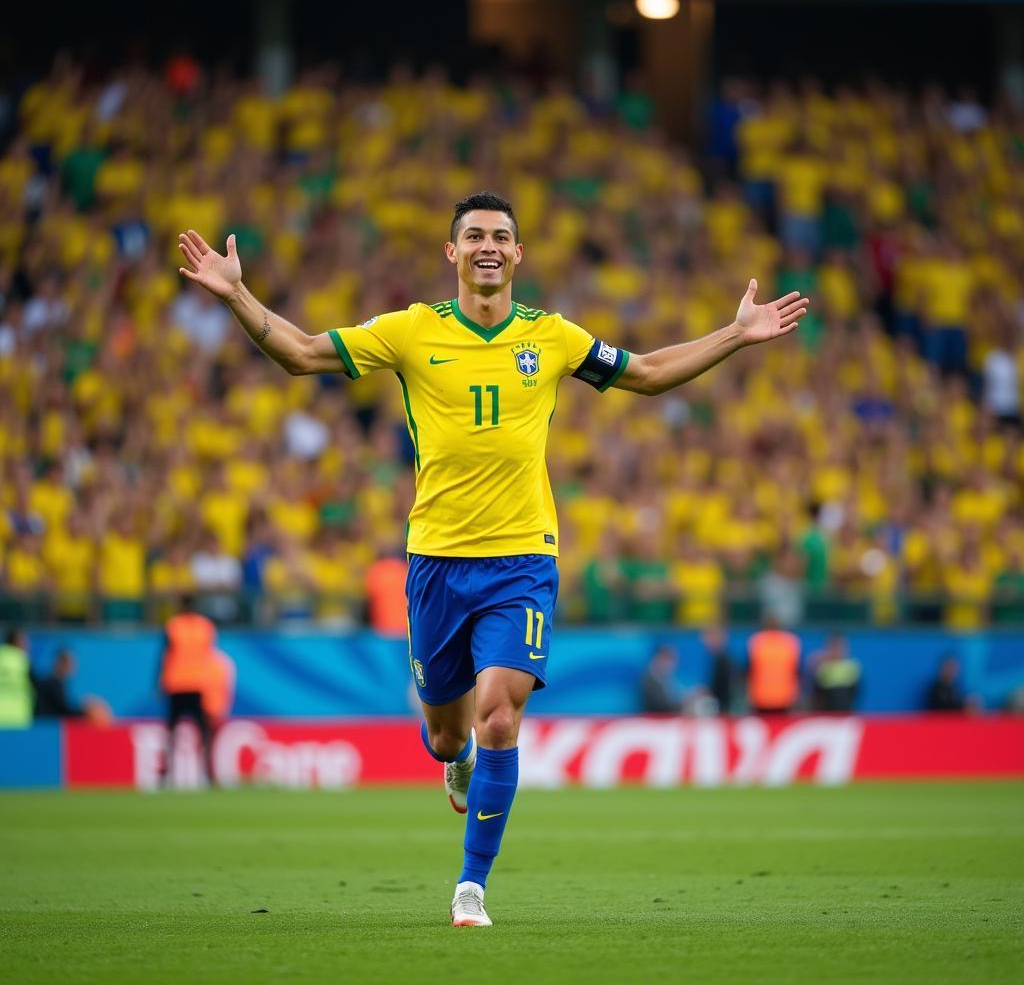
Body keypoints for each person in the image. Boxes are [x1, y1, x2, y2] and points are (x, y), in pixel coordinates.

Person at [177, 191, 808, 927]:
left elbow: (645, 372)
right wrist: (236, 294)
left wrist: (733, 335)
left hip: (522, 561)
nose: (487, 245)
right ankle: (456, 761)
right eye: (473, 234)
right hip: (437, 563)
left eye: (500, 236)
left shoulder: (554, 336)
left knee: (499, 715)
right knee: (449, 732)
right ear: (451, 252)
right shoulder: (412, 331)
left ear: (517, 255)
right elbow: (302, 355)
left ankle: (471, 885)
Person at [158, 594, 220, 786]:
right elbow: (210, 656)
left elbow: (165, 654)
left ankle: (166, 774)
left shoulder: (173, 626)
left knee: (171, 732)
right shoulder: (206, 626)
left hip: (176, 684)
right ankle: (208, 774)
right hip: (198, 684)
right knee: (203, 732)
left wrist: (159, 681)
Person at [746, 614, 802, 715]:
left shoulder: (757, 641)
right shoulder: (790, 641)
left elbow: (749, 670)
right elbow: (797, 670)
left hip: (765, 696)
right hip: (781, 696)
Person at [809, 633, 861, 713]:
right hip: (827, 712)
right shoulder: (822, 666)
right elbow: (816, 692)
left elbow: (856, 690)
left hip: (846, 711)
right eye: (834, 647)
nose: (837, 650)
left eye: (840, 646)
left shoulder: (852, 666)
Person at [0, 627, 33, 729]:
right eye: (24, 640)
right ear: (16, 641)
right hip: (19, 719)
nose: (28, 644)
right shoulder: (22, 661)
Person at [640, 644, 682, 714]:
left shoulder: (666, 678)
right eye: (669, 660)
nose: (672, 665)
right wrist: (683, 703)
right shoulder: (650, 678)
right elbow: (660, 706)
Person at [702, 626, 734, 715]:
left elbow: (723, 689)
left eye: (708, 638)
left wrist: (706, 692)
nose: (705, 642)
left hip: (725, 709)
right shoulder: (719, 658)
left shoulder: (723, 660)